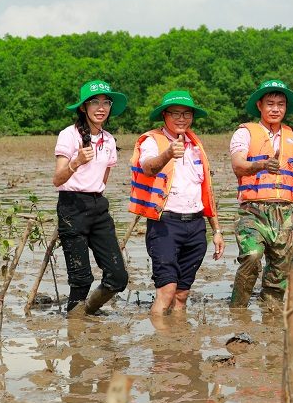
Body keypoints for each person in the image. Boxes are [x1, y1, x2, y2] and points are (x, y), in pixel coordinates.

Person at [129, 90, 224, 316]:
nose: (182, 118)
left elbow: (205, 192)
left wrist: (217, 231)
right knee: (167, 290)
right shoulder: (152, 141)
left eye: (187, 114)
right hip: (165, 224)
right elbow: (148, 167)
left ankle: (180, 335)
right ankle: (161, 336)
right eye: (175, 113)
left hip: (196, 226)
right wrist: (169, 154)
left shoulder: (195, 146)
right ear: (164, 115)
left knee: (182, 294)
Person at [229, 79, 293, 308]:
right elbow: (238, 165)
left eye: (280, 104)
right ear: (259, 105)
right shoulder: (244, 133)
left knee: (281, 269)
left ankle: (271, 311)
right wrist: (262, 165)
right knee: (252, 255)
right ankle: (238, 310)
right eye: (270, 103)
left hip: (284, 213)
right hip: (252, 210)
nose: (275, 109)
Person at [53, 80, 129, 316]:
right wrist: (76, 162)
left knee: (118, 277)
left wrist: (95, 201)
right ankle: (75, 325)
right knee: (81, 279)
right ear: (83, 107)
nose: (101, 107)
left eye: (106, 102)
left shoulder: (109, 140)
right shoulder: (69, 135)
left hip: (98, 207)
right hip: (72, 207)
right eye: (94, 102)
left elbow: (102, 180)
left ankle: (86, 312)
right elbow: (57, 179)